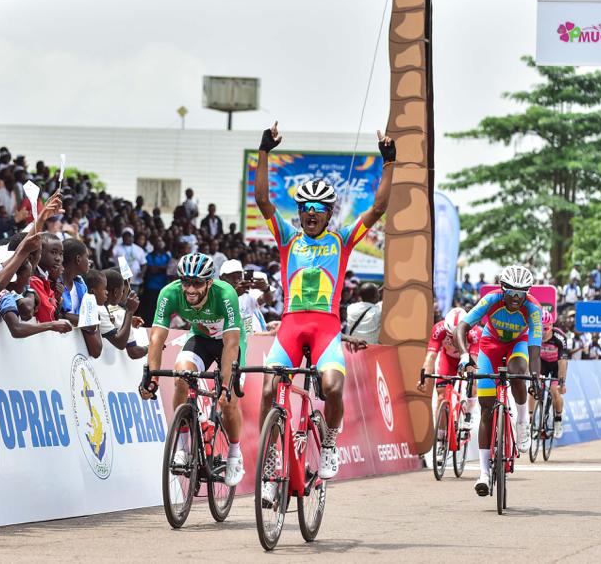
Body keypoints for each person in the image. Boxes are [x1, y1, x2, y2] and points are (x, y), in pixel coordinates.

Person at [254, 121, 394, 486]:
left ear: (329, 213)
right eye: (305, 207)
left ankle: (329, 442)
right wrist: (264, 150)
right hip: (290, 326)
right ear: (299, 212)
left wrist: (388, 161)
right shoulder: (287, 238)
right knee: (268, 390)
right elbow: (263, 201)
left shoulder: (342, 240)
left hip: (326, 329)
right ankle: (270, 456)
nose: (311, 212)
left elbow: (379, 207)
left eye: (318, 207)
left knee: (332, 387)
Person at [139, 253, 246, 487]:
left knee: (228, 401)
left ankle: (235, 454)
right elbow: (156, 337)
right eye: (186, 282)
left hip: (229, 343)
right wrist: (152, 377)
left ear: (209, 282)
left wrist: (226, 384)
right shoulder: (169, 293)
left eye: (197, 283)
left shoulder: (225, 294)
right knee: (181, 377)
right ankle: (182, 445)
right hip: (200, 340)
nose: (190, 289)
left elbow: (231, 344)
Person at [456, 264, 542, 496]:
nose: (516, 298)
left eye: (521, 293)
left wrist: (535, 377)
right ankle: (484, 473)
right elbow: (462, 327)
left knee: (518, 371)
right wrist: (464, 355)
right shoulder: (491, 300)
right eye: (511, 292)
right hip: (490, 346)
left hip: (518, 344)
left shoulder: (533, 308)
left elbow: (534, 350)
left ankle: (522, 421)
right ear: (502, 289)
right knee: (486, 409)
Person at [419, 307, 480, 423]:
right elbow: (431, 356)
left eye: (458, 336)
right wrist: (424, 379)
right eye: (450, 336)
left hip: (468, 360)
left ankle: (469, 413)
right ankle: (442, 432)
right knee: (441, 396)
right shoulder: (439, 329)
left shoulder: (475, 333)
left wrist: (471, 377)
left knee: (472, 385)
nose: (454, 340)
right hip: (448, 360)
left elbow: (474, 361)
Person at [535, 318, 568, 440]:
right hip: (542, 363)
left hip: (556, 365)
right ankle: (530, 421)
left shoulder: (559, 337)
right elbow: (531, 356)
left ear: (551, 326)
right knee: (534, 389)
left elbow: (563, 362)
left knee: (555, 390)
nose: (543, 332)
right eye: (541, 328)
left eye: (546, 328)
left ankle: (558, 420)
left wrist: (562, 383)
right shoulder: (534, 334)